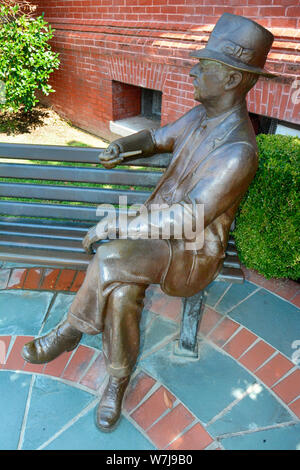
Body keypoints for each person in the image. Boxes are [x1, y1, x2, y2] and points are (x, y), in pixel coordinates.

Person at [21, 13, 276, 432]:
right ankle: (116, 381)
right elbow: (159, 138)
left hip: (191, 251)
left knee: (108, 258)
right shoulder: (201, 116)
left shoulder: (239, 151)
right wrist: (124, 145)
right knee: (120, 292)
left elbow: (189, 217)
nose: (193, 71)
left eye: (204, 66)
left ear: (231, 79)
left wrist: (117, 225)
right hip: (158, 235)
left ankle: (70, 330)